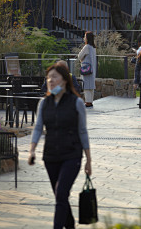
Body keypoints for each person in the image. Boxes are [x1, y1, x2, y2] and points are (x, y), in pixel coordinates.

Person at [30, 64, 92, 229]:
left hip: (72, 154)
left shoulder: (76, 102)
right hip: (50, 155)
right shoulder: (44, 103)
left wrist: (88, 160)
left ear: (65, 80)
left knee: (61, 193)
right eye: (48, 78)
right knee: (60, 196)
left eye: (55, 77)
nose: (51, 80)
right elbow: (38, 128)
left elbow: (83, 131)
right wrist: (32, 149)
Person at [78, 31, 97, 107]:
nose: (84, 38)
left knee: (86, 86)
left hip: (86, 69)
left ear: (87, 38)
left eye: (85, 37)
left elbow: (79, 56)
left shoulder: (86, 47)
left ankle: (88, 102)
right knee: (91, 86)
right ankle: (90, 101)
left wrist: (81, 59)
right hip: (92, 69)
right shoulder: (93, 47)